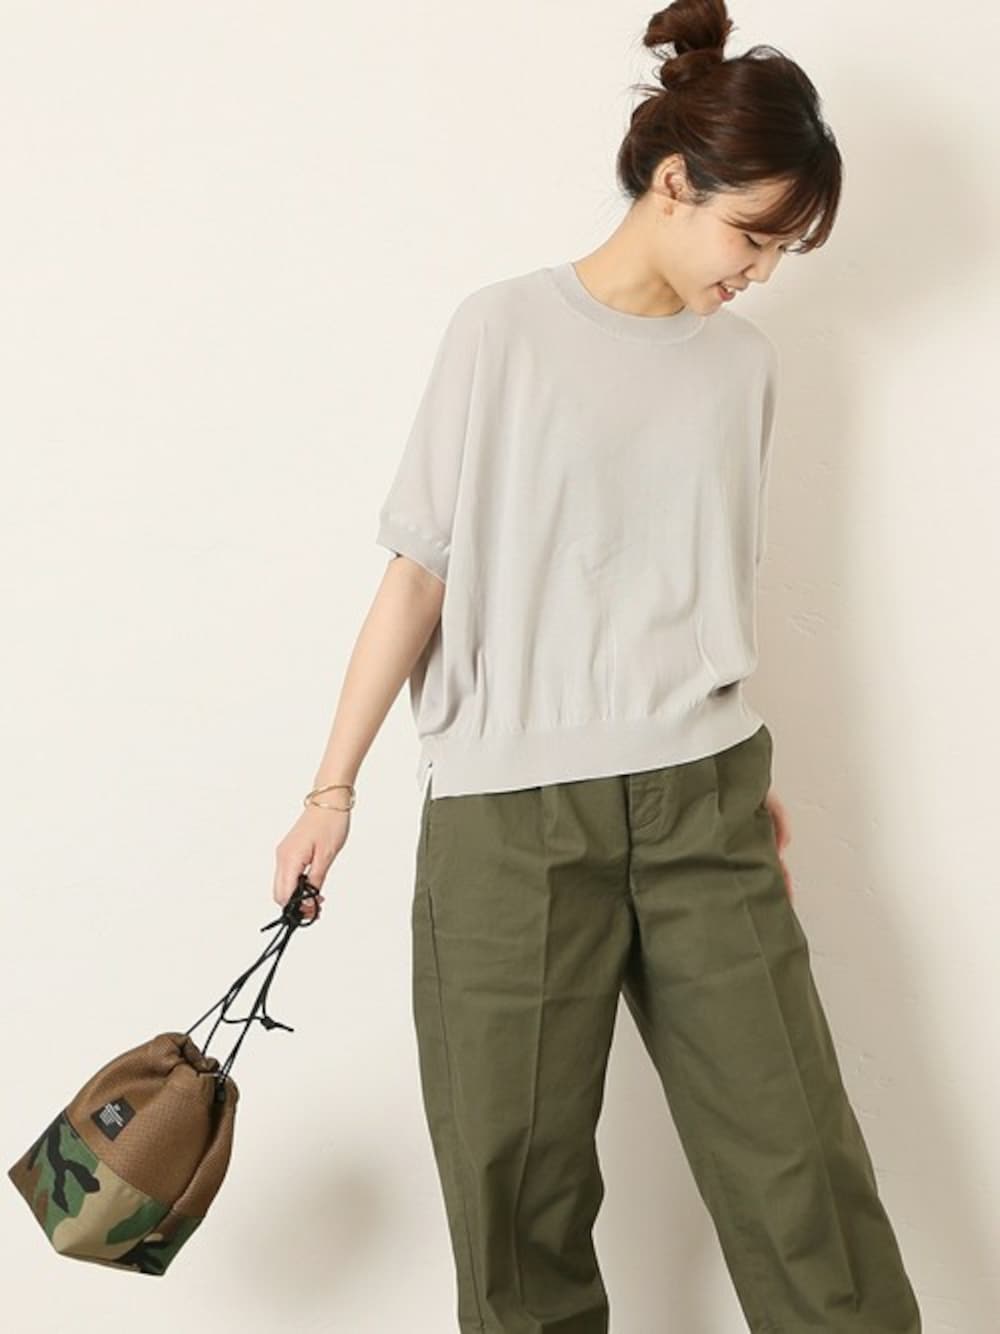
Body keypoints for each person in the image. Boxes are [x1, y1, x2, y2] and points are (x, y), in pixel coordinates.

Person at [272, 1, 923, 1330]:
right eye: (755, 235)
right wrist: (331, 790)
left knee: (800, 1173)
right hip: (511, 824)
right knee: (517, 1199)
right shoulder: (502, 331)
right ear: (674, 183)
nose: (764, 273)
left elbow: (693, 580)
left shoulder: (742, 370)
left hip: (704, 804)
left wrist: (741, 775)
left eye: (785, 250)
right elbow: (419, 574)